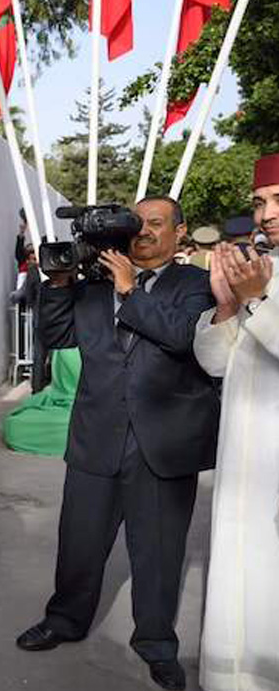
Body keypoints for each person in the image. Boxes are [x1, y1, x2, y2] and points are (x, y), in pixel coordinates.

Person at [16, 196, 219, 691]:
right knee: (80, 543)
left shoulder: (196, 284)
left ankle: (155, 644)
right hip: (96, 436)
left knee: (158, 551)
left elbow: (183, 338)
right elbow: (58, 334)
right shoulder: (95, 285)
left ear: (179, 231)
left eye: (156, 224)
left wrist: (131, 292)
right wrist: (61, 285)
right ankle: (65, 619)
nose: (145, 232)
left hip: (163, 443)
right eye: (138, 223)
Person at [193, 152, 279, 691]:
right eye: (260, 202)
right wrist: (227, 306)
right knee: (242, 576)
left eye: (278, 202)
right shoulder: (261, 269)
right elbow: (218, 363)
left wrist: (260, 299)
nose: (267, 214)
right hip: (242, 456)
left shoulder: (263, 280)